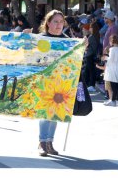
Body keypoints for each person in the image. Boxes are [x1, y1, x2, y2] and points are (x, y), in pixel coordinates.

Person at [37, 9, 68, 157]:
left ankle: (49, 142)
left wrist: (83, 47)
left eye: (61, 22)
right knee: (45, 112)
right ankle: (42, 142)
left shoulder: (67, 39)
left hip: (61, 83)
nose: (59, 25)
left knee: (55, 114)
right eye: (55, 21)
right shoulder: (41, 38)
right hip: (45, 82)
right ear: (48, 23)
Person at [96, 35, 118, 107]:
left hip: (112, 68)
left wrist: (105, 58)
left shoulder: (112, 49)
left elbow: (111, 59)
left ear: (112, 41)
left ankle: (113, 101)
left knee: (113, 86)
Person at [82, 21, 101, 92]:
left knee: (90, 71)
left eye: (90, 27)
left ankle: (91, 85)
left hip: (90, 55)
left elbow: (88, 46)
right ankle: (88, 84)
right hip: (91, 55)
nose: (89, 29)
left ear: (93, 28)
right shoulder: (95, 36)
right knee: (88, 70)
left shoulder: (92, 37)